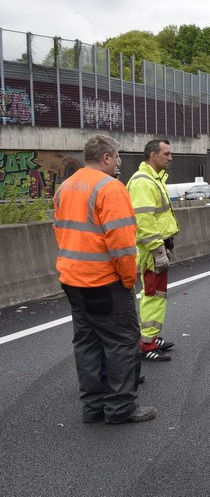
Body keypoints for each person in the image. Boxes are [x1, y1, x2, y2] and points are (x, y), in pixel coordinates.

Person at [53, 134, 156, 424]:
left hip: (72, 278)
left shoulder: (65, 187)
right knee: (121, 342)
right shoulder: (110, 188)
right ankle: (120, 407)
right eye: (118, 156)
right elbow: (122, 244)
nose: (119, 161)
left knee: (87, 344)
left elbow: (60, 230)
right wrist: (127, 279)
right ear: (107, 158)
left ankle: (93, 407)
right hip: (103, 281)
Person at [127, 138, 180, 361]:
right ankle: (147, 343)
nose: (170, 157)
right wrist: (158, 251)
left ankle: (150, 336)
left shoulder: (152, 179)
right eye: (166, 154)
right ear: (152, 156)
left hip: (156, 246)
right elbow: (144, 221)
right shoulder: (143, 182)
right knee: (153, 294)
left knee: (155, 293)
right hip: (152, 249)